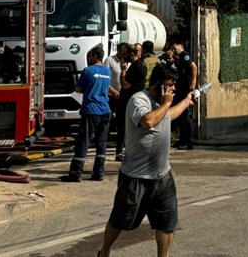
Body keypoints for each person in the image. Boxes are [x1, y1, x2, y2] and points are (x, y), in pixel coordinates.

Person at [98, 63, 194, 257]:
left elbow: (169, 115)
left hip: (162, 175)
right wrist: (167, 103)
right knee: (119, 220)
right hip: (135, 176)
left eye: (174, 86)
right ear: (157, 84)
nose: (172, 89)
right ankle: (105, 251)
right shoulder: (139, 99)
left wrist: (185, 102)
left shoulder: (163, 102)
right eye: (169, 85)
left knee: (167, 224)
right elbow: (148, 121)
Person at [62, 45, 112, 182]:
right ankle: (99, 173)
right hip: (105, 110)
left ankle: (76, 173)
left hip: (91, 110)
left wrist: (87, 90)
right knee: (101, 143)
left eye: (89, 55)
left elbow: (78, 89)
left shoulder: (87, 71)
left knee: (84, 141)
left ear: (95, 56)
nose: (88, 58)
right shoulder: (107, 71)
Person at [171, 42, 197, 151]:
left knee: (186, 116)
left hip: (185, 89)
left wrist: (193, 82)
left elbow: (193, 67)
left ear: (180, 47)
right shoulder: (178, 58)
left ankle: (188, 141)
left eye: (175, 47)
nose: (173, 49)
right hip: (180, 89)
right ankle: (182, 140)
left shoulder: (185, 56)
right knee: (181, 116)